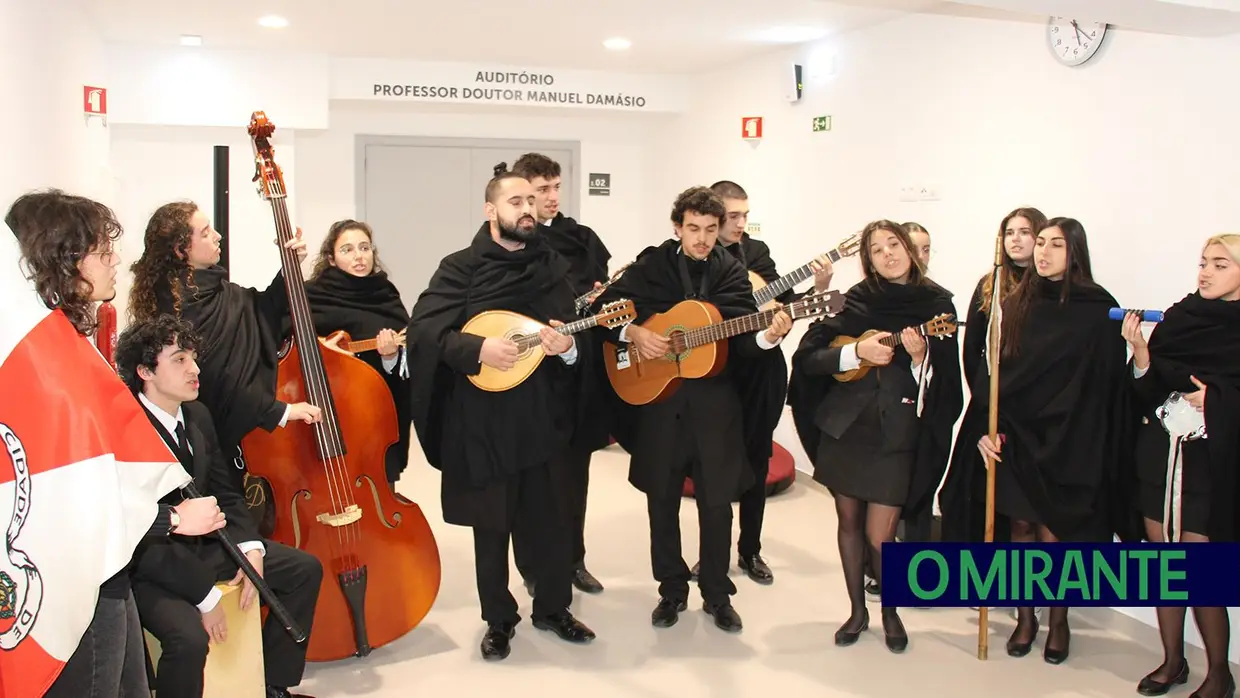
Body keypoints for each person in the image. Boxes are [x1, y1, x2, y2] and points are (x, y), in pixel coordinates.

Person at [6, 190, 225, 698]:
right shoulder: (46, 364)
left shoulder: (63, 343)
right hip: (78, 574)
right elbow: (63, 493)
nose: (114, 262)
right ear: (64, 261)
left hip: (109, 567)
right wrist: (169, 519)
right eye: (102, 252)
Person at [406, 163, 595, 661]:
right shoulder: (460, 268)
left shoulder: (554, 267)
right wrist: (476, 350)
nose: (528, 210)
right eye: (516, 202)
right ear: (491, 210)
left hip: (543, 419)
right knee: (491, 527)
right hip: (484, 422)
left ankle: (554, 608)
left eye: (532, 201)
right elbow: (425, 333)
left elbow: (580, 334)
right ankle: (498, 620)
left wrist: (567, 349)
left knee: (551, 522)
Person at [593, 185, 793, 632]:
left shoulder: (731, 273)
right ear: (677, 227)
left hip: (714, 405)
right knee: (661, 501)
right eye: (693, 228)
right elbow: (607, 310)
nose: (702, 238)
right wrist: (636, 333)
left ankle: (718, 594)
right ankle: (670, 590)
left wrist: (767, 336)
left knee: (717, 503)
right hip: (659, 401)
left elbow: (743, 340)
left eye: (710, 228)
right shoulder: (653, 265)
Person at [117, 314, 323, 698]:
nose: (194, 369)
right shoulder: (127, 431)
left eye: (193, 357)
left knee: (303, 570)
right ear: (145, 370)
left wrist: (251, 549)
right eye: (179, 359)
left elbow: (226, 492)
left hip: (209, 547)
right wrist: (205, 597)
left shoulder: (197, 413)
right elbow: (140, 530)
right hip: (152, 564)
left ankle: (272, 686)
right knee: (188, 639)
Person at [787, 219, 962, 653]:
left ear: (909, 248)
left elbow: (949, 385)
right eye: (877, 249)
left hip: (897, 434)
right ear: (868, 260)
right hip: (845, 429)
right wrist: (855, 352)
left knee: (881, 534)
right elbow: (809, 359)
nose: (888, 254)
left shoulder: (937, 306)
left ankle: (890, 610)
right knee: (848, 522)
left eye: (893, 244)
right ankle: (857, 612)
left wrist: (921, 361)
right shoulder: (854, 303)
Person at [971, 217, 1130, 663]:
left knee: (1054, 533)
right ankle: (1026, 616)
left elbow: (1107, 382)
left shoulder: (1099, 307)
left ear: (1074, 251)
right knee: (1020, 527)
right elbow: (999, 370)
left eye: (1055, 244)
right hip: (1018, 433)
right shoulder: (1018, 301)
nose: (1042, 252)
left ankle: (1059, 620)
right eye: (1040, 242)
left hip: (1069, 438)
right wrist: (990, 425)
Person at [128, 201, 322, 532]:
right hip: (208, 440)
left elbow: (262, 313)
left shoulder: (211, 286)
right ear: (180, 248)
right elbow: (217, 377)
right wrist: (279, 411)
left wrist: (290, 265)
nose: (217, 236)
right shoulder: (172, 305)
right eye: (205, 232)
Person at [686, 179, 832, 586]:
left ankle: (750, 550)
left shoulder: (756, 254)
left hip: (760, 373)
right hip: (714, 374)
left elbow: (777, 307)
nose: (740, 224)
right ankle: (711, 554)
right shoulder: (696, 259)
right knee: (712, 468)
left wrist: (814, 293)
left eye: (746, 215)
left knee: (755, 462)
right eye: (732, 217)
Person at [1122, 234, 1239, 698]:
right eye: (1203, 262)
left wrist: (1219, 401)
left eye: (1221, 264)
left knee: (1200, 568)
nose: (1205, 272)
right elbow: (1148, 392)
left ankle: (1220, 674)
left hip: (1210, 463)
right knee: (1163, 564)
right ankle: (1172, 661)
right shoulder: (1181, 318)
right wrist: (1143, 356)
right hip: (1160, 455)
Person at [938, 206, 1047, 619]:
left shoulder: (1049, 288)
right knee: (965, 495)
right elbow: (973, 353)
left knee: (1023, 513)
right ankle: (978, 581)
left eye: (1025, 232)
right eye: (1009, 233)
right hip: (988, 408)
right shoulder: (991, 284)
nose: (1016, 240)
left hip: (1031, 418)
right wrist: (987, 410)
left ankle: (1025, 595)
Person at [508, 152, 610, 594]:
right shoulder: (512, 245)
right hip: (528, 380)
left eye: (555, 188)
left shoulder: (583, 238)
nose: (550, 198)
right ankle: (534, 569)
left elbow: (606, 303)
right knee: (532, 485)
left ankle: (574, 560)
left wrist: (600, 298)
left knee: (574, 480)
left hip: (575, 374)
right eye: (539, 191)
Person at [300, 219, 410, 488]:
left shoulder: (386, 295)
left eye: (364, 247)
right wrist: (320, 348)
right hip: (327, 417)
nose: (359, 256)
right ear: (332, 259)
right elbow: (285, 341)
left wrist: (390, 357)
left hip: (374, 416)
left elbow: (406, 365)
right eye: (347, 249)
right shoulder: (311, 295)